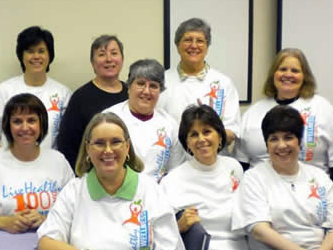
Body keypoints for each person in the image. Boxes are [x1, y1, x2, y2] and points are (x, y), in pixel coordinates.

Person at [37, 112, 185, 250]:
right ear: (88, 148)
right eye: (99, 143)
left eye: (115, 142)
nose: (108, 150)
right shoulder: (74, 191)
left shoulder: (150, 190)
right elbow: (46, 241)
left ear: (127, 146)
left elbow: (170, 245)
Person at [232, 105, 333, 250]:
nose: (281, 145)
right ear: (267, 145)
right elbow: (260, 231)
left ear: (299, 142)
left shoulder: (320, 177)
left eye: (288, 138)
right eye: (274, 139)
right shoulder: (253, 178)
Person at [0, 93, 74, 234]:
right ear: (8, 126)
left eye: (31, 120)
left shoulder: (58, 161)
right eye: (17, 121)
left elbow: (74, 209)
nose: (25, 128)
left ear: (41, 124)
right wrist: (3, 222)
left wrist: (46, 219)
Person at [160, 105, 248, 250]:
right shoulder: (172, 181)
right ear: (187, 143)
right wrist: (179, 227)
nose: (201, 139)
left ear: (219, 136)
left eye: (207, 132)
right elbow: (161, 234)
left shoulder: (234, 168)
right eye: (194, 134)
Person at [234, 48, 333, 174]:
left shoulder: (323, 109)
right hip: (261, 187)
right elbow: (241, 163)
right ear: (273, 74)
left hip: (310, 187)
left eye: (295, 71)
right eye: (282, 69)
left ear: (305, 76)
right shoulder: (253, 112)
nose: (288, 75)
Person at [0, 26, 72, 151]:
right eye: (30, 51)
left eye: (41, 51)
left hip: (49, 167)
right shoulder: (4, 90)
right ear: (21, 56)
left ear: (49, 55)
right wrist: (3, 166)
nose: (36, 56)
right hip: (9, 167)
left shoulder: (63, 94)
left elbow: (68, 139)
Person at [158, 17, 241, 146]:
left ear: (207, 47)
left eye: (200, 41)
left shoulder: (223, 83)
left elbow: (231, 131)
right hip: (174, 162)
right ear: (177, 45)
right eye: (188, 40)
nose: (194, 46)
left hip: (214, 161)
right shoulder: (161, 82)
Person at [104, 59, 186, 182]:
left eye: (153, 86)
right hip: (118, 192)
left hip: (157, 195)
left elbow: (175, 173)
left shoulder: (170, 125)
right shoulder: (109, 119)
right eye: (141, 84)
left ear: (160, 91)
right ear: (129, 86)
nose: (146, 91)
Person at [57, 35, 128, 171]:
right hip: (91, 178)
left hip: (126, 178)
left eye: (114, 53)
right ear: (93, 63)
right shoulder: (80, 98)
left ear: (122, 59)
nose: (109, 59)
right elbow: (67, 145)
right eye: (101, 54)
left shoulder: (131, 94)